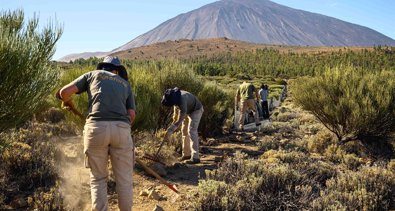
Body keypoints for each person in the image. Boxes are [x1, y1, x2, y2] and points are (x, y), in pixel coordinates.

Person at [57, 56, 136, 211]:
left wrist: (65, 100)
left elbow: (64, 92)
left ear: (102, 67)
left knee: (98, 179)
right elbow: (131, 114)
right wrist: (123, 130)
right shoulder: (125, 84)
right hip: (121, 129)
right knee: (125, 180)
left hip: (95, 129)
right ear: (117, 70)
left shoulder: (92, 74)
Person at [161, 88, 204, 164]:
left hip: (196, 110)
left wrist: (170, 130)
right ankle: (186, 154)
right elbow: (176, 118)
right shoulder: (174, 98)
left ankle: (195, 157)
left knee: (191, 131)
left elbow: (180, 119)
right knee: (184, 131)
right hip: (188, 110)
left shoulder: (182, 101)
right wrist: (169, 129)